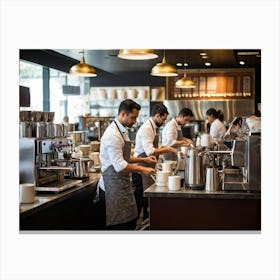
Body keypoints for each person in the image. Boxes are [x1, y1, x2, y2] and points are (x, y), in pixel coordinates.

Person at [98, 99, 157, 230]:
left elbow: (124, 158)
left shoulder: (122, 130)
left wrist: (145, 160)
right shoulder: (113, 135)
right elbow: (119, 165)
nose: (135, 121)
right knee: (118, 227)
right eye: (133, 117)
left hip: (122, 186)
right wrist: (143, 169)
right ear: (123, 113)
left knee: (129, 222)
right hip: (112, 190)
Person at [133, 103, 177, 221]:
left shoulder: (153, 127)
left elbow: (155, 146)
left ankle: (147, 222)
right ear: (157, 116)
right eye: (163, 119)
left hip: (148, 167)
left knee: (147, 200)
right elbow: (150, 151)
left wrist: (166, 147)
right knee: (142, 200)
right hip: (141, 168)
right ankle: (142, 225)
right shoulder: (147, 128)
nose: (164, 122)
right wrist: (167, 149)